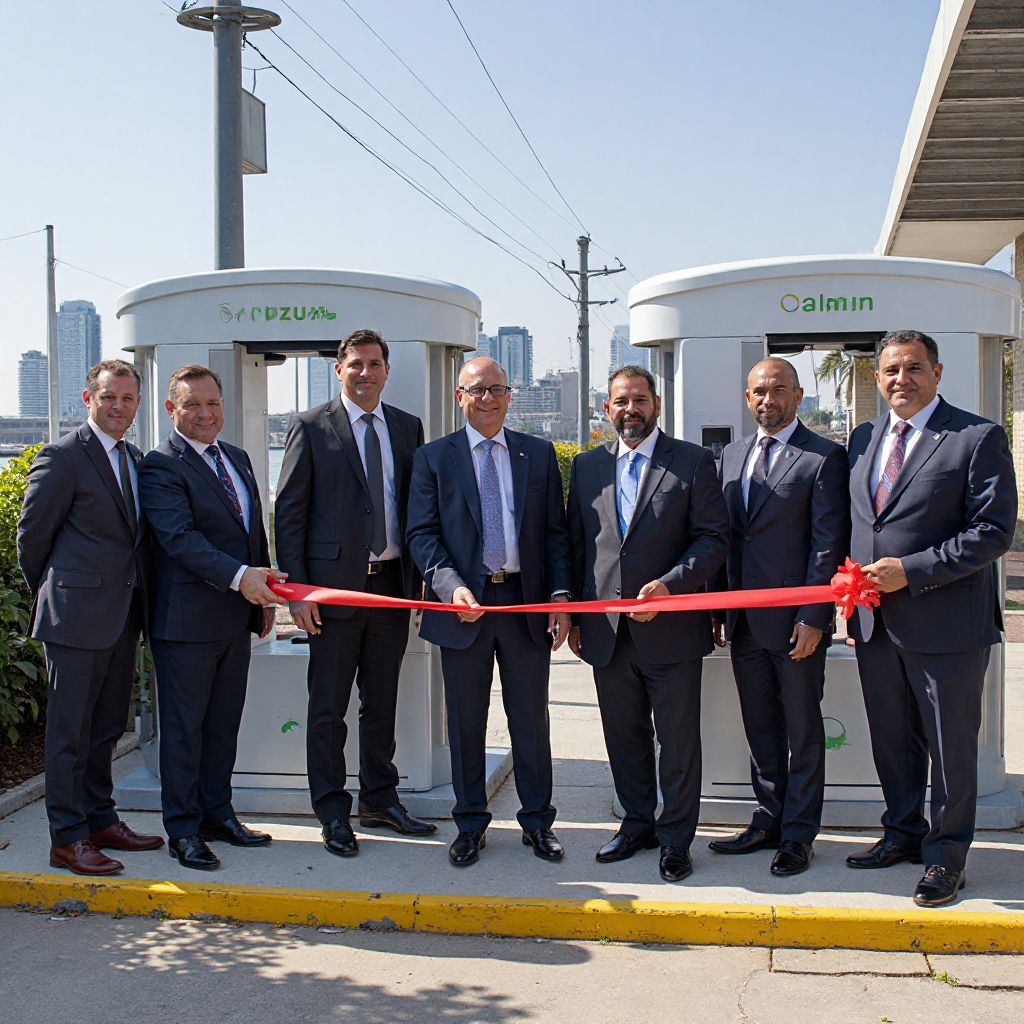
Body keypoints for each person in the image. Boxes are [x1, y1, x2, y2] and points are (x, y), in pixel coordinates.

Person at [846, 330, 1016, 907]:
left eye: (914, 368)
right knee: (892, 741)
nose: (902, 379)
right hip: (875, 625)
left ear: (938, 374)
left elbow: (992, 532)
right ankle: (901, 833)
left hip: (948, 625)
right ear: (877, 379)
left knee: (949, 749)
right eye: (891, 370)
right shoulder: (864, 437)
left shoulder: (976, 437)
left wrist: (912, 571)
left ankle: (946, 859)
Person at [275, 329, 435, 858]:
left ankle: (380, 800)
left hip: (390, 589)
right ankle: (332, 811)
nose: (365, 373)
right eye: (355, 364)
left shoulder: (408, 428)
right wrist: (299, 592)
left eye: (374, 364)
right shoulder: (310, 426)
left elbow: (414, 509)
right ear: (338, 370)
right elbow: (290, 514)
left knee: (381, 703)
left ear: (387, 370)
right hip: (331, 593)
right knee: (328, 708)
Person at [406, 356, 572, 867]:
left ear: (509, 396)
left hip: (524, 604)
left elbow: (555, 534)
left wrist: (561, 598)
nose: (488, 398)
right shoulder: (434, 458)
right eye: (477, 390)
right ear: (460, 396)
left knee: (530, 720)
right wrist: (451, 587)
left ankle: (539, 823)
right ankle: (470, 824)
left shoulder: (537, 454)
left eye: (497, 389)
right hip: (464, 610)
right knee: (465, 722)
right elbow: (422, 535)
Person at [567, 365, 729, 882]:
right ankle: (636, 824)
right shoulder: (589, 466)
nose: (629, 409)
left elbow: (712, 539)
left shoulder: (693, 461)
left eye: (639, 399)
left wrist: (672, 586)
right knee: (624, 736)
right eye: (620, 401)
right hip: (608, 633)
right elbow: (578, 544)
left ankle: (676, 840)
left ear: (655, 403)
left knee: (678, 742)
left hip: (672, 629)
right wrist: (571, 613)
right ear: (606, 408)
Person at [17, 359, 163, 875]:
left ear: (138, 404)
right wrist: (59, 598)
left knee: (104, 728)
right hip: (75, 619)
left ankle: (101, 820)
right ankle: (67, 838)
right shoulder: (62, 457)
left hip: (123, 615)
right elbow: (31, 541)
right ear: (88, 399)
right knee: (69, 733)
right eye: (108, 397)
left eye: (126, 398)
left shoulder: (135, 458)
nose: (118, 406)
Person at [709, 358, 849, 876]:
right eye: (759, 392)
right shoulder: (731, 456)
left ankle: (798, 834)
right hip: (743, 621)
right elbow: (726, 539)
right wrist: (719, 608)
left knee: (802, 729)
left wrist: (815, 614)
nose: (769, 399)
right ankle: (768, 817)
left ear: (798, 395)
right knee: (760, 726)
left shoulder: (823, 457)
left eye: (779, 390)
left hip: (797, 624)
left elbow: (827, 543)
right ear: (748, 399)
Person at [139, 364, 283, 871]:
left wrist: (260, 594)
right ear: (170, 409)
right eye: (193, 404)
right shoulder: (160, 465)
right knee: (184, 731)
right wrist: (242, 576)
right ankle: (182, 829)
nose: (205, 414)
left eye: (212, 403)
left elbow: (251, 533)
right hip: (184, 623)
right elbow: (178, 540)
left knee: (223, 725)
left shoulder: (238, 457)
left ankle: (217, 814)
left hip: (234, 617)